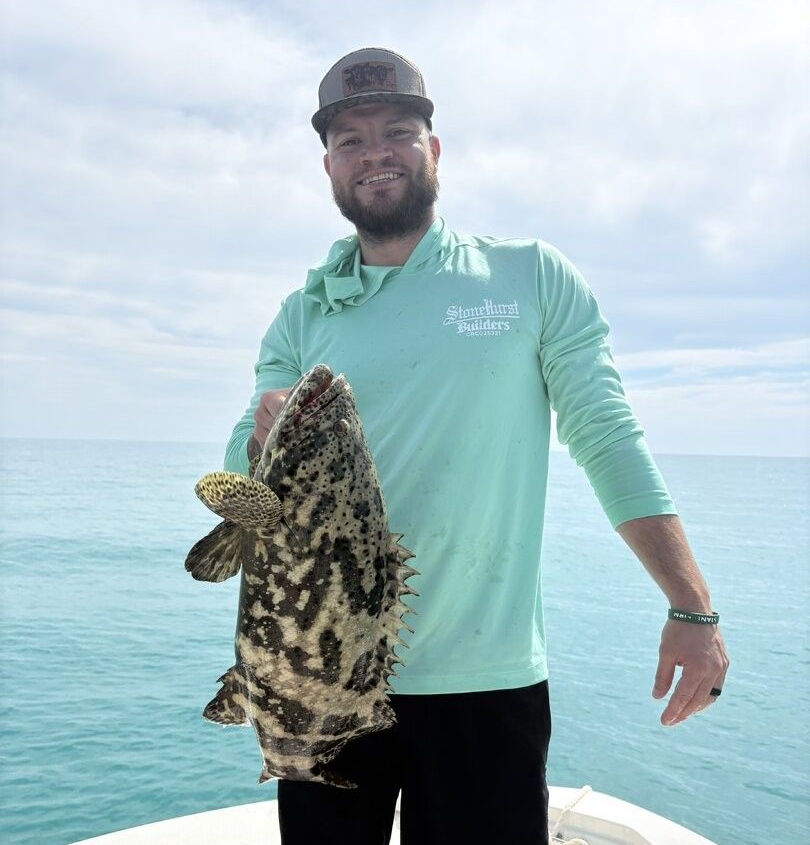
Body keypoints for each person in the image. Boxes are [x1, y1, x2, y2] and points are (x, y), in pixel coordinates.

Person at [224, 48, 730, 844]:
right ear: (329, 165)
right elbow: (238, 473)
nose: (375, 153)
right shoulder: (302, 312)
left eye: (397, 130)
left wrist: (691, 604)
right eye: (350, 140)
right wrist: (260, 438)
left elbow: (605, 435)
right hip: (319, 678)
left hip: (485, 684)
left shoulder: (528, 277)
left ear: (435, 151)